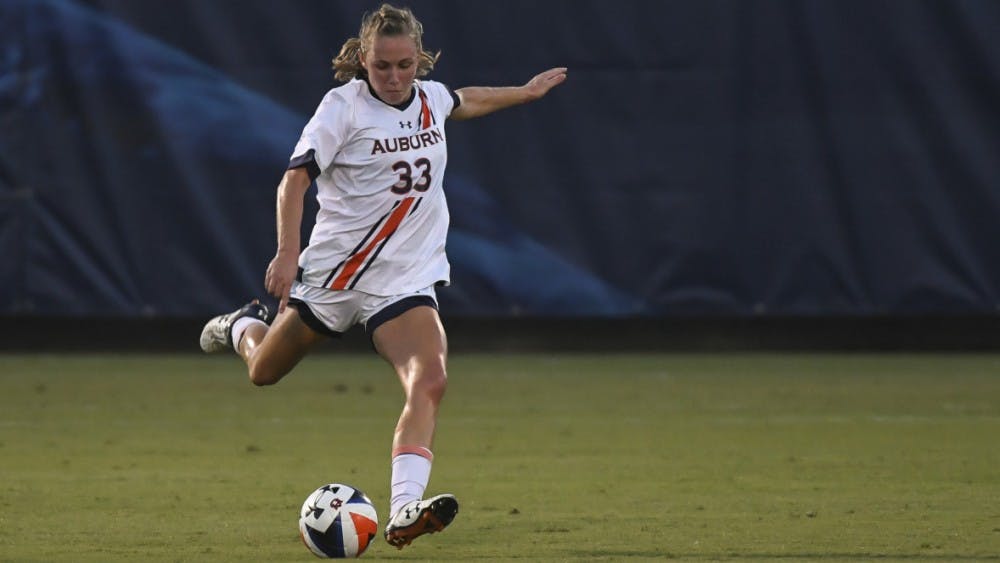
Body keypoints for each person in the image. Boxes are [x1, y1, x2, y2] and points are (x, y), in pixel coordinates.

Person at [199, 3, 566, 551]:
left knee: (431, 379)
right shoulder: (341, 108)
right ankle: (239, 327)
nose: (394, 78)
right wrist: (286, 252)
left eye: (404, 65)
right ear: (362, 63)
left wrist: (525, 92)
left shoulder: (430, 98)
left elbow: (466, 100)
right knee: (264, 371)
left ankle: (402, 511)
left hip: (403, 281)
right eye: (382, 67)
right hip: (334, 276)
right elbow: (293, 182)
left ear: (419, 59)